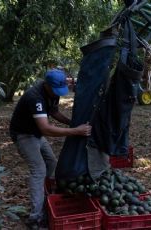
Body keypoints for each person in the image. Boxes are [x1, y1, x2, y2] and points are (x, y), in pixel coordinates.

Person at [9, 68, 91, 229]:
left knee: (52, 162)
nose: (57, 94)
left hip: (36, 133)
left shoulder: (53, 93)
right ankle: (35, 217)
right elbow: (46, 129)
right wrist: (75, 131)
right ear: (46, 85)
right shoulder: (35, 97)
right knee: (38, 170)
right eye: (55, 91)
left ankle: (45, 195)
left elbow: (54, 112)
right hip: (24, 135)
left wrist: (71, 122)